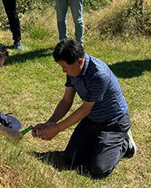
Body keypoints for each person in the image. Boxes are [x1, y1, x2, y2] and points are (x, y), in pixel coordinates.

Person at [33, 39, 136, 179]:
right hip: (92, 121)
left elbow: (84, 110)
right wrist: (50, 123)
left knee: (98, 170)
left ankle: (125, 143)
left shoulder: (99, 75)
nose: (63, 71)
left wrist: (57, 129)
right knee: (70, 158)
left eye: (65, 67)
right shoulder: (72, 72)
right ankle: (100, 145)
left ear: (79, 62)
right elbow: (66, 101)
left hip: (113, 124)